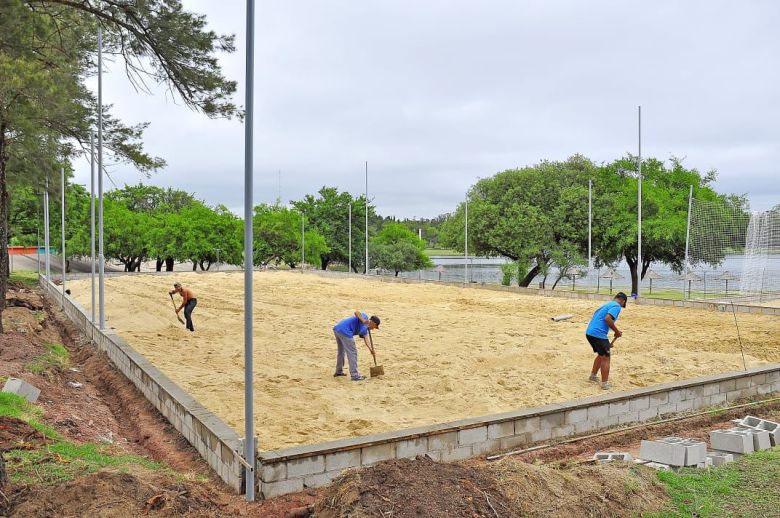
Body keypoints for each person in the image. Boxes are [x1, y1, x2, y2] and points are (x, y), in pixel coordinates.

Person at [585, 292, 627, 390]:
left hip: (590, 332)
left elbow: (600, 319)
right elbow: (607, 319)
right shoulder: (617, 306)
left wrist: (614, 333)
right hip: (598, 334)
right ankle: (604, 384)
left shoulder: (607, 304)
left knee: (601, 355)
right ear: (623, 301)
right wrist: (616, 332)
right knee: (606, 358)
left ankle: (593, 376)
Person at [333, 311, 380, 381]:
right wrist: (363, 320)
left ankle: (338, 372)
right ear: (373, 323)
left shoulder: (365, 329)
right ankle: (355, 376)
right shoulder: (365, 317)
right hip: (345, 332)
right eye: (375, 327)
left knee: (341, 352)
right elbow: (356, 312)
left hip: (338, 330)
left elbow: (366, 339)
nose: (373, 329)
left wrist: (371, 349)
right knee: (352, 353)